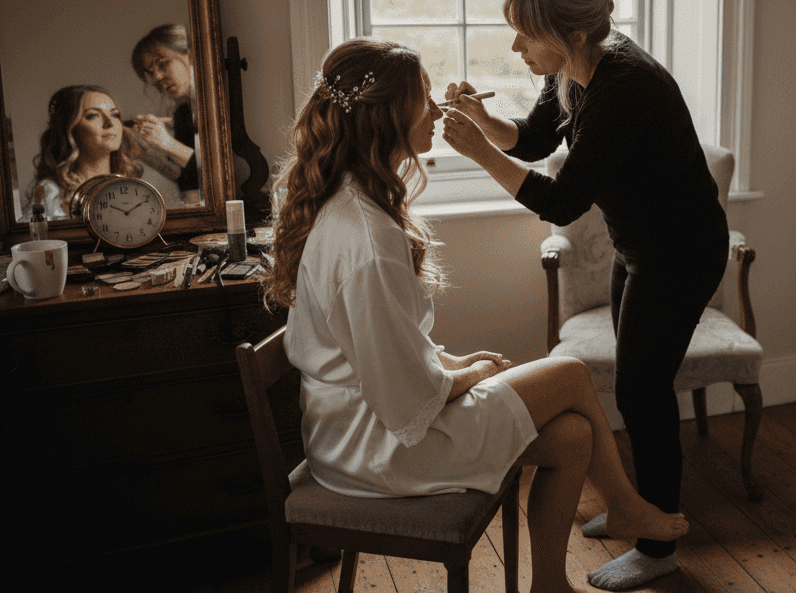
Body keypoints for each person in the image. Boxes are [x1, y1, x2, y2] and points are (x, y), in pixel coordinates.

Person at [262, 37, 688, 593]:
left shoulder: (354, 203)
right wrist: (470, 376)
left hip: (357, 427)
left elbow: (377, 345)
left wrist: (449, 360)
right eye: (422, 97)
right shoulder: (365, 238)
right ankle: (627, 505)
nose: (437, 110)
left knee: (573, 436)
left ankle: (550, 584)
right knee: (571, 373)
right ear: (390, 115)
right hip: (379, 449)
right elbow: (404, 396)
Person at [439, 0, 729, 590]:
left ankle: (659, 545)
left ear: (571, 34)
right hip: (639, 248)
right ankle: (637, 507)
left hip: (680, 252)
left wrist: (477, 152)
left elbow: (564, 202)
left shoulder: (625, 84)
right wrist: (486, 124)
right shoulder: (574, 67)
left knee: (642, 391)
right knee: (637, 383)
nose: (515, 46)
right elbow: (537, 139)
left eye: (524, 34)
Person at [24, 84, 147, 219]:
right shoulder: (51, 192)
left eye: (115, 114)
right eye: (93, 115)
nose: (110, 123)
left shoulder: (131, 186)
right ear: (70, 129)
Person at [130, 23, 199, 199]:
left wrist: (168, 144)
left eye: (163, 64)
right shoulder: (183, 112)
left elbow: (218, 172)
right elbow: (186, 178)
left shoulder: (217, 108)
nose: (155, 78)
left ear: (192, 56)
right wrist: (142, 153)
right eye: (150, 71)